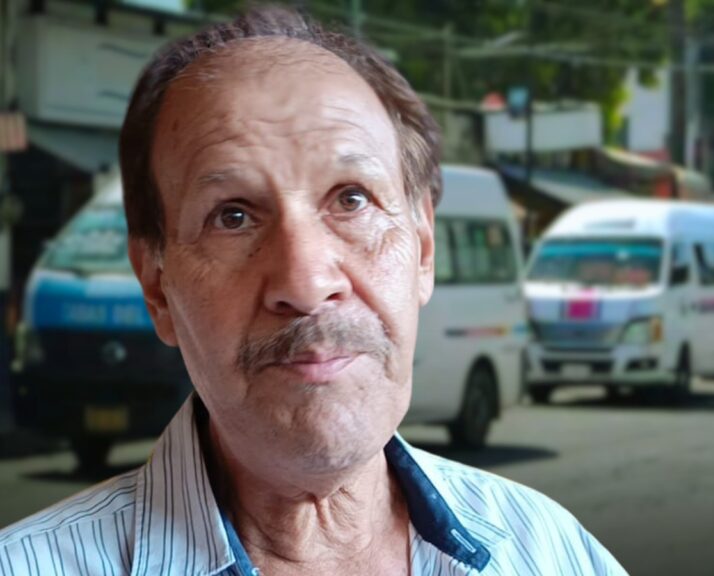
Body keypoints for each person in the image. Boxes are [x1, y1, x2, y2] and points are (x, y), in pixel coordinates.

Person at [0, 7, 626, 575]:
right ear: (157, 286)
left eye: (351, 200)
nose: (305, 283)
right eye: (233, 217)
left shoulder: (549, 553)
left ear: (423, 250)